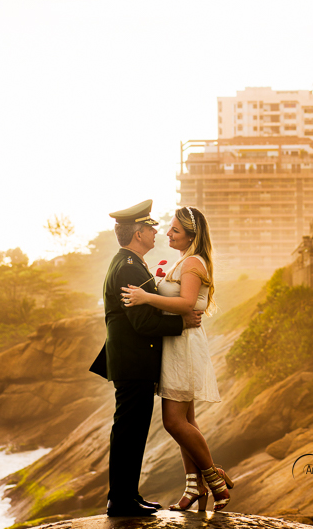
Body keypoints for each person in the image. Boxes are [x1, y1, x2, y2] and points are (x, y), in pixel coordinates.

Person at [89, 199, 203, 518]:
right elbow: (143, 322)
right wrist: (182, 322)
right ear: (138, 233)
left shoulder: (130, 263)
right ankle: (121, 500)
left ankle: (128, 496)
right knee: (128, 432)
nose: (156, 233)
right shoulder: (128, 266)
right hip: (133, 363)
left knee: (132, 432)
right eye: (151, 228)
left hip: (133, 362)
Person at [121, 205, 233, 512]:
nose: (167, 233)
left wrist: (146, 297)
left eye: (175, 230)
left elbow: (185, 303)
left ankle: (214, 479)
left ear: (191, 237)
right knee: (187, 421)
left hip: (183, 346)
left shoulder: (193, 262)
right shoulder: (184, 261)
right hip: (176, 344)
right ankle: (193, 487)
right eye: (169, 228)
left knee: (173, 422)